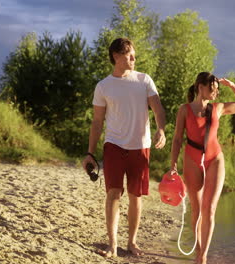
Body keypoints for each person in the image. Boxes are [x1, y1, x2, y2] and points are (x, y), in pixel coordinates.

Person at [82, 37, 166, 258]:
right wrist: (90, 153)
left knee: (135, 196)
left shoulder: (144, 80)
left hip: (140, 146)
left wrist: (161, 129)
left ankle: (132, 242)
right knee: (113, 193)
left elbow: (157, 108)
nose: (134, 59)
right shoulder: (103, 86)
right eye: (129, 55)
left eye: (134, 55)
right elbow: (97, 122)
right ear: (116, 56)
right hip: (114, 145)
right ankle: (112, 244)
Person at [169, 72, 235, 264]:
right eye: (211, 89)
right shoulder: (184, 110)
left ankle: (203, 256)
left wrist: (231, 85)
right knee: (196, 210)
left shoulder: (219, 108)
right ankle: (198, 250)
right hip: (192, 159)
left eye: (217, 89)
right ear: (200, 87)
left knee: (210, 209)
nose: (215, 92)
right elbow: (177, 139)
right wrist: (172, 165)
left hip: (215, 159)